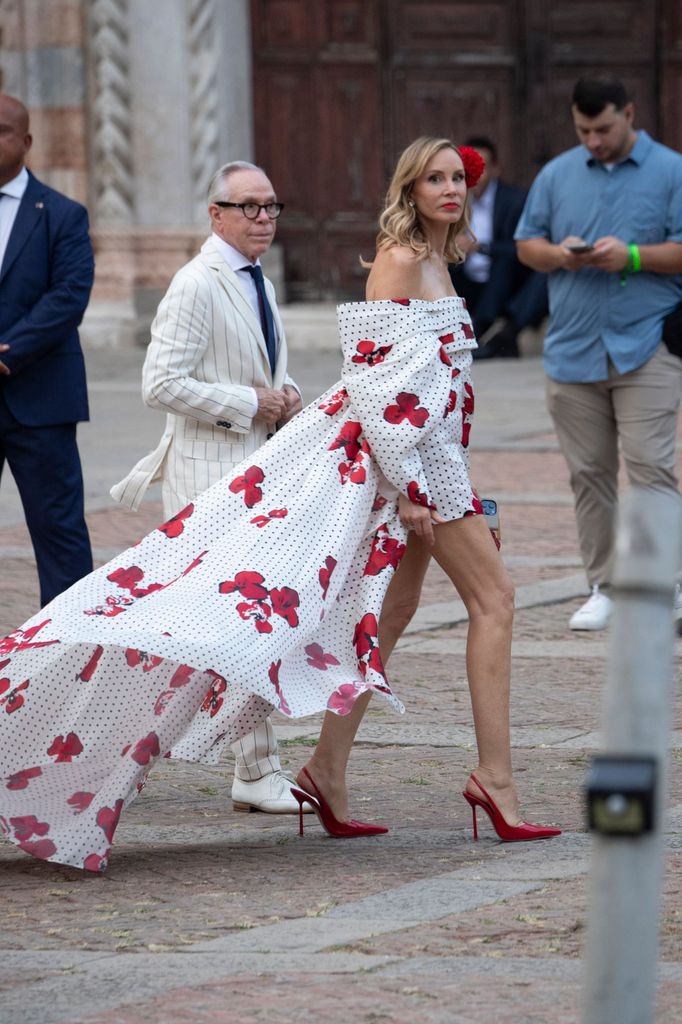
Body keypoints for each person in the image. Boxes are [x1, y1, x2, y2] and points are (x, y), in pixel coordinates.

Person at [0, 137, 559, 873]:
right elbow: (375, 390)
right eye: (435, 179)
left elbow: (436, 400)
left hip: (435, 464)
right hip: (404, 470)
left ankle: (325, 773)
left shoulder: (439, 260)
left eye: (458, 178)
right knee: (497, 601)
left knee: (388, 612)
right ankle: (496, 781)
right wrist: (420, 494)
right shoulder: (398, 258)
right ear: (409, 189)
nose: (451, 189)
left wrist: (459, 483)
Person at [111, 160, 306, 816]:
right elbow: (160, 383)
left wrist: (286, 396)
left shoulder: (259, 281)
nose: (262, 218)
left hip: (255, 473)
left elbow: (265, 369)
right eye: (248, 207)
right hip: (206, 477)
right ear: (215, 214)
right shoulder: (196, 282)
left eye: (271, 206)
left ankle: (250, 768)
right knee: (220, 628)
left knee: (232, 628)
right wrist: (248, 402)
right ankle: (243, 768)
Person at [515, 75, 682, 631]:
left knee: (652, 466)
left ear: (629, 113)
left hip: (647, 343)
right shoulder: (557, 173)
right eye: (583, 129)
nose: (593, 140)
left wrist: (632, 256)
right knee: (589, 474)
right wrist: (560, 256)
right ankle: (605, 586)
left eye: (604, 128)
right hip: (572, 348)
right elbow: (526, 244)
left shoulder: (672, 170)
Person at [0, 94, 94, 607]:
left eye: (1, 131)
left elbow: (68, 298)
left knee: (59, 533)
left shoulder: (63, 215)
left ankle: (69, 651)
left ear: (26, 141)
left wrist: (8, 351)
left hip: (40, 398)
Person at [448, 136, 548, 360]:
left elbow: (523, 248)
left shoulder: (515, 200)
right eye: (466, 168)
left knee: (505, 260)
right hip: (468, 280)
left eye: (480, 167)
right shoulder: (453, 198)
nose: (473, 174)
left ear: (495, 169)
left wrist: (481, 248)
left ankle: (482, 328)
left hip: (504, 282)